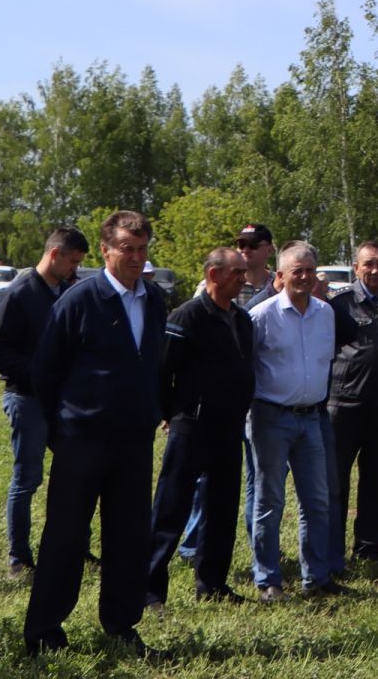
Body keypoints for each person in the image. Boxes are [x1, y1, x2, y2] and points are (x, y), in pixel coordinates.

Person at [24, 210, 168, 659]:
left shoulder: (155, 300)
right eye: (127, 248)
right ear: (106, 250)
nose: (136, 257)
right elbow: (46, 372)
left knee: (128, 538)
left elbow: (155, 365)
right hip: (81, 441)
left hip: (133, 443)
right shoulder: (79, 300)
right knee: (66, 537)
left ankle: (121, 624)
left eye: (142, 249)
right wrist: (64, 428)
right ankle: (45, 629)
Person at [146, 247, 255, 605]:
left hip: (229, 427)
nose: (243, 278)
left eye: (243, 272)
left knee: (222, 509)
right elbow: (163, 370)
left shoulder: (241, 318)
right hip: (191, 426)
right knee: (170, 509)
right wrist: (170, 413)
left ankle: (212, 585)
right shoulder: (187, 316)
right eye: (236, 272)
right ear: (213, 275)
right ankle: (149, 588)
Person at [0, 226, 86, 577]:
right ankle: (19, 558)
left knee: (77, 475)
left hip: (64, 403)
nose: (75, 269)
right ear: (54, 254)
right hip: (27, 399)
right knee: (27, 479)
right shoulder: (19, 293)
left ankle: (75, 548)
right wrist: (40, 373)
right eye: (72, 262)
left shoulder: (67, 290)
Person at [246, 243, 342, 600]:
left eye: (309, 270)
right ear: (280, 276)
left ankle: (315, 578)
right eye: (295, 271)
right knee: (270, 500)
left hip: (312, 417)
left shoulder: (325, 313)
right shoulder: (262, 315)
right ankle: (268, 579)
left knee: (317, 500)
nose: (303, 277)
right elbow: (248, 366)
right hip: (271, 417)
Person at [328, 239, 378, 565]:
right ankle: (331, 551)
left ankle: (369, 550)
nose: (375, 269)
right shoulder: (339, 305)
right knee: (334, 483)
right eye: (368, 264)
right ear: (356, 267)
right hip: (343, 406)